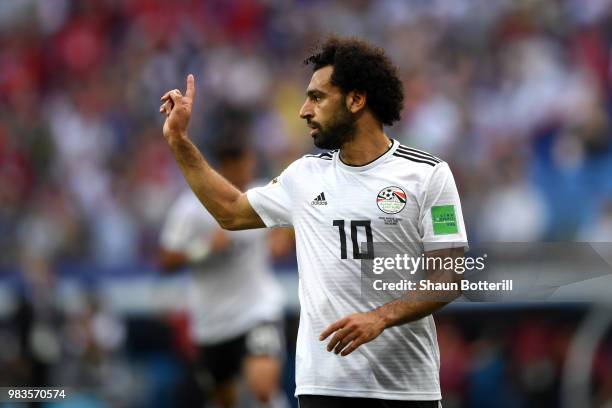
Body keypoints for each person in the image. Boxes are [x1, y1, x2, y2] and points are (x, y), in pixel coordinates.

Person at [159, 36, 468, 408]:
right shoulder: (303, 176)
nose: (304, 110)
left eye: (318, 97)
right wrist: (179, 140)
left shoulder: (429, 175)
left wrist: (380, 318)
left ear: (356, 100)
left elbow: (448, 277)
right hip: (325, 385)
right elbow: (230, 210)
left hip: (407, 387)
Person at [159, 142, 288, 408]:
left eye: (249, 164)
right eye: (242, 166)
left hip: (257, 311)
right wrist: (204, 249)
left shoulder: (260, 193)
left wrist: (281, 239)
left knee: (263, 388)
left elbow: (293, 219)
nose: (247, 171)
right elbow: (166, 261)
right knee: (223, 401)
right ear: (225, 167)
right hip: (211, 324)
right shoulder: (190, 208)